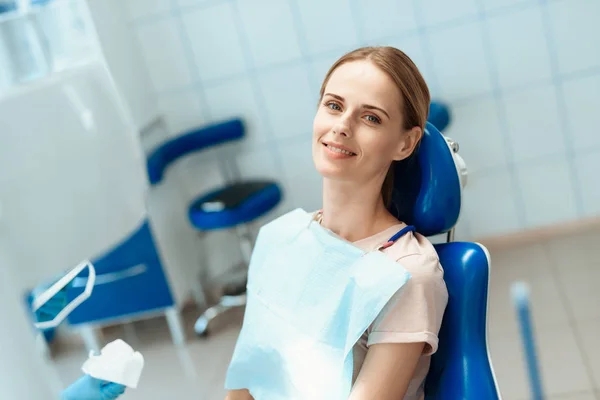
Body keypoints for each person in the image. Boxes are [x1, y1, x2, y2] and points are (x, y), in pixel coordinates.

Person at [226, 46, 448, 400]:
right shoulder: (281, 238)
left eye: (371, 118)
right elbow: (246, 382)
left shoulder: (406, 273)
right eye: (334, 105)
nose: (342, 126)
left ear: (405, 143)